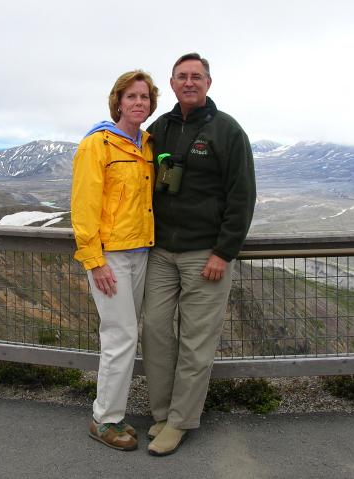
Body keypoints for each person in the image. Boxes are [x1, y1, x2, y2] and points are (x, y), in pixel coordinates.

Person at [141, 53, 256, 456]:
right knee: (154, 330)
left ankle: (180, 421)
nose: (189, 82)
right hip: (161, 253)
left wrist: (224, 253)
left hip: (205, 254)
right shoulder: (159, 129)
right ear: (171, 84)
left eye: (197, 76)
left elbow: (242, 196)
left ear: (209, 83)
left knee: (196, 342)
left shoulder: (227, 131)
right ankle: (161, 411)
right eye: (182, 76)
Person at [70, 70, 158, 451]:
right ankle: (105, 419)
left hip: (142, 252)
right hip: (112, 257)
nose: (139, 103)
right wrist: (95, 260)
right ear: (118, 102)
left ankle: (113, 414)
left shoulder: (147, 144)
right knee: (121, 335)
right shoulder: (98, 144)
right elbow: (84, 206)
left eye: (145, 97)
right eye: (131, 97)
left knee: (127, 333)